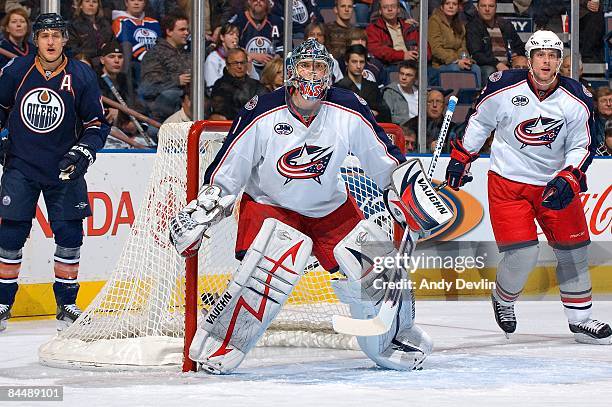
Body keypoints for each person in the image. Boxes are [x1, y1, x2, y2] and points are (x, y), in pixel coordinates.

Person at [168, 38, 434, 374]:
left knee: (379, 266)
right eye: (306, 66)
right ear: (291, 72)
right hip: (271, 204)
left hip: (328, 206)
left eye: (319, 67)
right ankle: (222, 343)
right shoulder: (261, 110)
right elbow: (229, 169)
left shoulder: (348, 106)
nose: (312, 74)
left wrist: (405, 190)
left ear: (329, 73)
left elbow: (383, 159)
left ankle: (391, 338)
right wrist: (205, 208)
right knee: (272, 263)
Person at [444, 30, 611, 344]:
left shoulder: (577, 96)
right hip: (509, 183)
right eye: (540, 55)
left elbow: (582, 144)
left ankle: (581, 320)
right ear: (529, 59)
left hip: (554, 184)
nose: (546, 62)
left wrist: (570, 176)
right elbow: (480, 123)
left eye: (553, 56)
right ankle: (504, 299)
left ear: (560, 61)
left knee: (573, 252)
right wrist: (462, 157)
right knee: (522, 255)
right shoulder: (503, 86)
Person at [0, 13, 109, 331]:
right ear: (36, 40)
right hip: (22, 164)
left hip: (65, 169)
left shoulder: (81, 75)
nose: (50, 41)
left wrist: (83, 151)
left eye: (56, 35)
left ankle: (67, 304)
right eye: (45, 35)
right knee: (10, 235)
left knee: (70, 235)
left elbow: (96, 124)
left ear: (65, 40)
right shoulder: (17, 70)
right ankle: (3, 301)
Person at [140, 13, 191, 122]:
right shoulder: (155, 54)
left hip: (187, 108)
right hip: (162, 113)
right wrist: (176, 80)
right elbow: (148, 87)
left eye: (187, 29)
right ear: (169, 32)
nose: (186, 33)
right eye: (182, 30)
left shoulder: (188, 53)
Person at [466, 0, 525, 81]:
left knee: (522, 67)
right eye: (483, 6)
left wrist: (516, 54)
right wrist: (497, 64)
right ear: (478, 8)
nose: (487, 9)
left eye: (491, 6)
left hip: (508, 64)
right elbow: (477, 54)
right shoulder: (473, 27)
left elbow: (520, 47)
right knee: (490, 71)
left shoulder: (506, 24)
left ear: (496, 8)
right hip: (487, 65)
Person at [429, 0, 482, 88]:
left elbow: (462, 47)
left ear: (458, 7)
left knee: (475, 68)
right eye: (447, 4)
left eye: (454, 4)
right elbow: (436, 49)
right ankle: (453, 99)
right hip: (441, 64)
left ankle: (475, 98)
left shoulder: (459, 23)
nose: (451, 6)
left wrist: (465, 59)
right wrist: (456, 61)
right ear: (442, 6)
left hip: (458, 61)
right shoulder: (434, 21)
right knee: (455, 69)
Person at [336, 44, 391, 122]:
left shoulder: (373, 86)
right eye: (354, 62)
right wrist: (370, 112)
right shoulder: (338, 88)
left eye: (361, 62)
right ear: (346, 62)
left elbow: (385, 113)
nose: (358, 66)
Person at [209, 47, 267, 120]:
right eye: (235, 63)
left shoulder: (257, 86)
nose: (240, 66)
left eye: (242, 62)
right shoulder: (220, 86)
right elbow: (221, 111)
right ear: (227, 65)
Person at [204, 22, 259, 93]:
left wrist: (249, 64)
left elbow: (256, 81)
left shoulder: (243, 57)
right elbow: (211, 86)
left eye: (237, 35)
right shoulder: (213, 59)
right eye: (231, 34)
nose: (235, 37)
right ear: (222, 37)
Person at [228, 0, 283, 71]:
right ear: (249, 1)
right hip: (245, 69)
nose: (258, 1)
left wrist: (276, 57)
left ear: (268, 2)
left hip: (271, 70)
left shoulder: (277, 21)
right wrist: (250, 55)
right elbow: (230, 46)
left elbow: (285, 46)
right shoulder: (238, 21)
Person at [365, 0, 423, 66]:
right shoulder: (373, 29)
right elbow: (376, 50)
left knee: (434, 72)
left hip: (415, 65)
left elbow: (425, 48)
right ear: (380, 11)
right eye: (385, 7)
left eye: (393, 6)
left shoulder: (409, 27)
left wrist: (420, 55)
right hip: (391, 66)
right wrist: (402, 55)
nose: (390, 9)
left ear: (398, 9)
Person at [67, 0, 115, 70]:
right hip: (84, 64)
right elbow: (72, 50)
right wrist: (99, 51)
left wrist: (108, 48)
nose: (91, 4)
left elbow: (113, 43)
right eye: (87, 1)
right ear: (80, 5)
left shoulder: (105, 24)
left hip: (105, 65)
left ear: (98, 6)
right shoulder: (73, 25)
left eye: (94, 2)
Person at [405, 88, 455, 152]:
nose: (434, 105)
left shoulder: (452, 129)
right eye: (430, 101)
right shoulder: (411, 126)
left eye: (438, 101)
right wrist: (429, 150)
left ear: (444, 105)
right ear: (424, 105)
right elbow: (406, 152)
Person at [382, 60, 418, 125]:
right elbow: (388, 116)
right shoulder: (390, 92)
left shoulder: (420, 93)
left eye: (408, 75)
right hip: (401, 129)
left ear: (415, 78)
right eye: (402, 73)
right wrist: (410, 122)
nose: (403, 78)